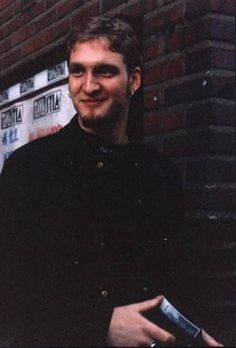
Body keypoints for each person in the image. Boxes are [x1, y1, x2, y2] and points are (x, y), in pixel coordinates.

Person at [0, 15, 223, 347]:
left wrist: (193, 333)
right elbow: (10, 299)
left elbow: (177, 284)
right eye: (78, 71)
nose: (88, 86)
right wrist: (100, 325)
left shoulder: (160, 174)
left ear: (133, 80)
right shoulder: (29, 169)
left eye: (104, 71)